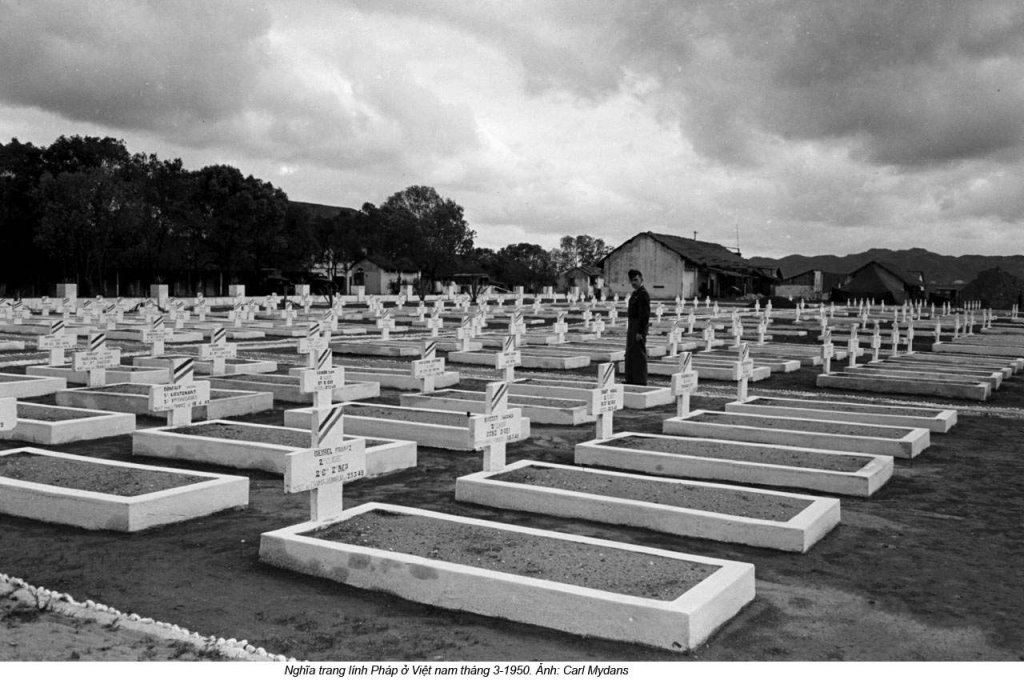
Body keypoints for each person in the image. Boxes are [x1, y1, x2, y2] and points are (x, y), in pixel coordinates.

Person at [625, 268, 650, 385]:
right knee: (630, 352)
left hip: (638, 326)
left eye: (636, 280)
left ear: (641, 279)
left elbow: (645, 315)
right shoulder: (635, 294)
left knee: (638, 353)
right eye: (632, 281)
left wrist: (640, 331)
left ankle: (640, 380)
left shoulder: (643, 294)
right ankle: (630, 379)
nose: (633, 283)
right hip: (632, 325)